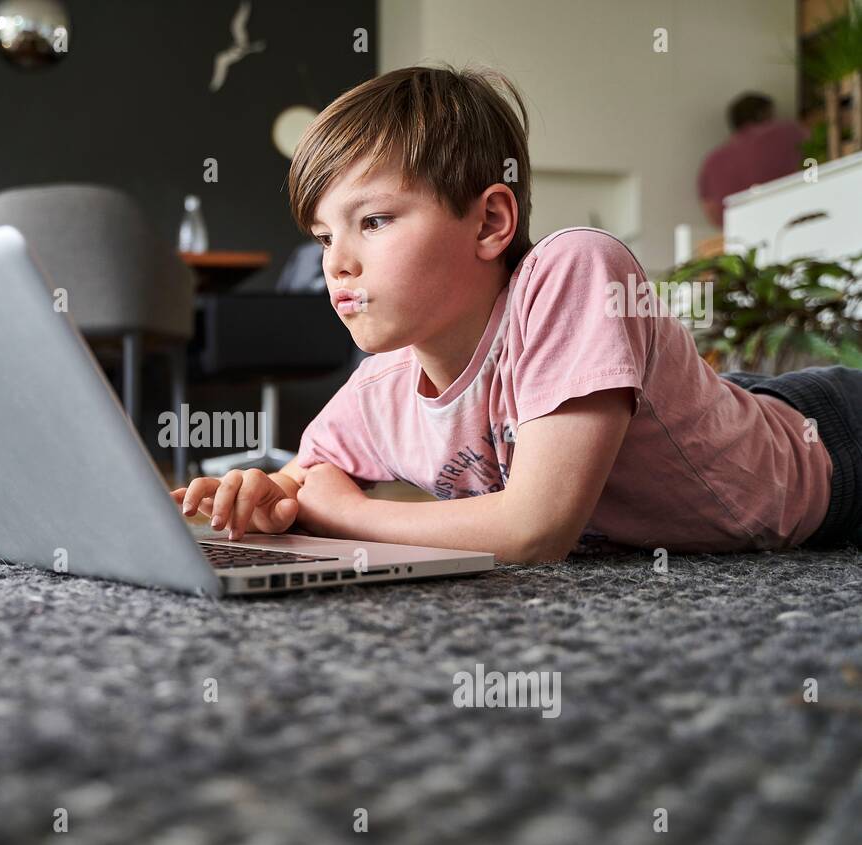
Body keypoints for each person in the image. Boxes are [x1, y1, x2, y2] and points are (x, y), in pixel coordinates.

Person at [170, 66, 862, 563]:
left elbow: (536, 532)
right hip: (728, 413)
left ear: (491, 221)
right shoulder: (382, 384)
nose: (336, 263)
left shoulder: (574, 270)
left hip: (830, 446)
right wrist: (262, 499)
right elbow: (305, 484)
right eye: (324, 237)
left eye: (374, 220)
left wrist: (347, 514)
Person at [698, 92, 808, 228]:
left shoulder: (712, 161)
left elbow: (712, 212)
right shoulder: (788, 132)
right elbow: (817, 155)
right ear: (763, 114)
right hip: (794, 220)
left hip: (741, 233)